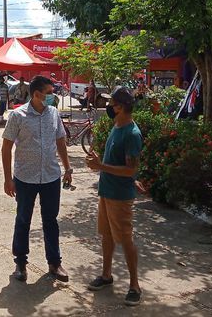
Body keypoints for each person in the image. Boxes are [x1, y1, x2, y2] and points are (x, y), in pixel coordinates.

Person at [2, 75, 73, 282]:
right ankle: (21, 264)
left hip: (51, 176)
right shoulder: (18, 116)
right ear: (36, 94)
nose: (53, 97)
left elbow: (60, 140)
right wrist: (8, 179)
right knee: (23, 219)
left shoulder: (53, 114)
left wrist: (67, 168)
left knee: (51, 220)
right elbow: (6, 147)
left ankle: (54, 263)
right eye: (50, 93)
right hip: (25, 178)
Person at [85, 87, 143, 307]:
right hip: (106, 191)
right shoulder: (116, 126)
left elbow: (130, 170)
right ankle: (106, 275)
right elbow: (116, 162)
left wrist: (100, 166)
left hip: (120, 196)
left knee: (125, 239)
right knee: (107, 236)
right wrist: (100, 161)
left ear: (121, 107)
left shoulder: (131, 133)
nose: (108, 106)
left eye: (112, 104)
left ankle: (135, 286)